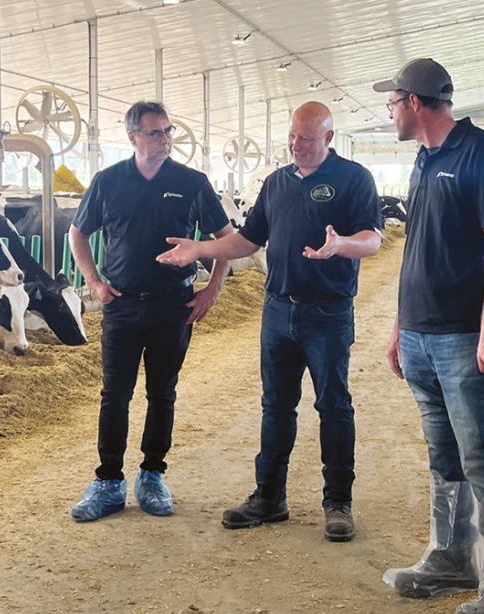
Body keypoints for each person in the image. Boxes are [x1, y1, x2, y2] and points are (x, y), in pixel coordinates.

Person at [157, 102, 382, 542]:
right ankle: (269, 497)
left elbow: (373, 239)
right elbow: (246, 241)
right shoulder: (277, 182)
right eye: (293, 137)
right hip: (278, 309)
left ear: (329, 138)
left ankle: (337, 502)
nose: (297, 146)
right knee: (275, 405)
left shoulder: (354, 179)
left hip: (328, 312)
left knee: (333, 406)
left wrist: (341, 246)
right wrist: (201, 249)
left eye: (307, 139)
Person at [374, 59, 484, 614]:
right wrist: (398, 327)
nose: (389, 111)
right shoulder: (422, 158)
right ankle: (451, 558)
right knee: (443, 454)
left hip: (462, 337)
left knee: (481, 454)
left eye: (392, 102)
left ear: (414, 102)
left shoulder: (480, 152)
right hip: (418, 334)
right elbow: (418, 249)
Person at [68, 101, 233, 522]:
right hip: (120, 306)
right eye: (156, 133)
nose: (165, 141)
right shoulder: (107, 182)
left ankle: (152, 475)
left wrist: (212, 288)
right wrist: (94, 283)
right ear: (133, 137)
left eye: (168, 132)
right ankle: (108, 482)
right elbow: (78, 233)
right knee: (114, 395)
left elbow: (226, 238)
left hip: (172, 307)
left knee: (162, 393)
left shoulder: (192, 182)